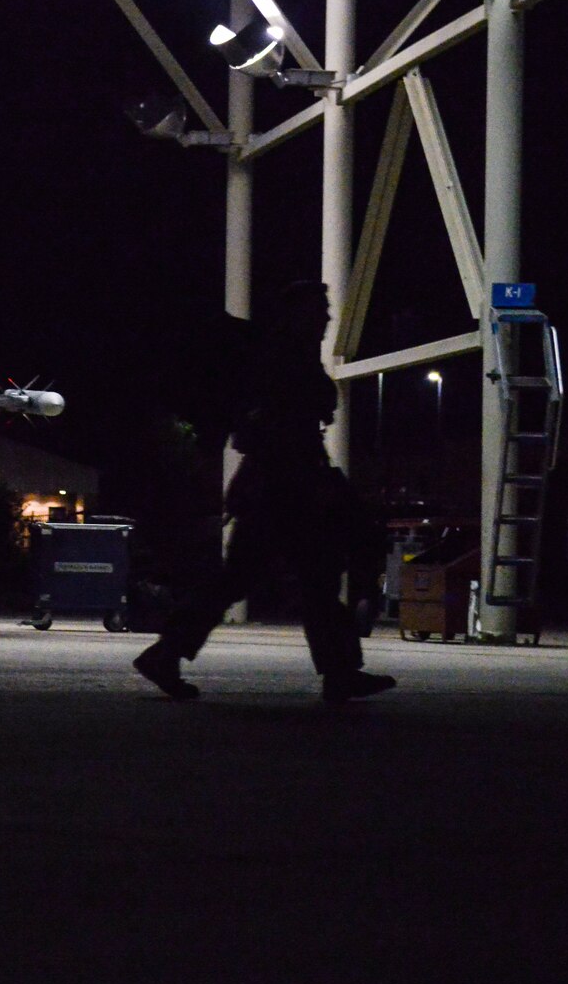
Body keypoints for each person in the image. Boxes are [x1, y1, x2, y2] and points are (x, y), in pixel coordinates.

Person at [133, 281, 396, 706]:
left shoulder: (277, 354)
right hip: (284, 486)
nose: (327, 318)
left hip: (280, 485)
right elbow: (276, 425)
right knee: (303, 576)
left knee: (296, 577)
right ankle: (339, 672)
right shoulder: (281, 358)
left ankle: (167, 654)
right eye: (320, 309)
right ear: (298, 313)